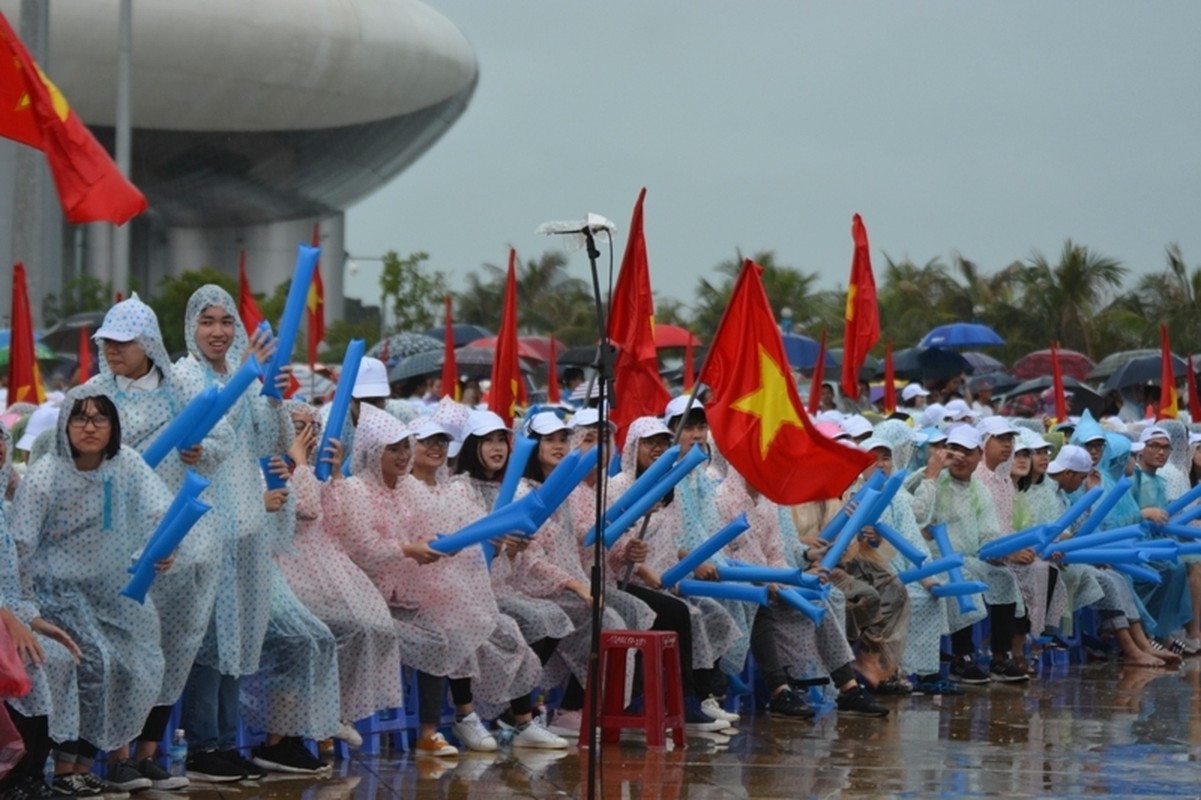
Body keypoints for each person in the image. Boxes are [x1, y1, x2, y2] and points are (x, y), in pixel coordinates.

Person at [176, 286, 338, 780]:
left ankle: (226, 741)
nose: (219, 331)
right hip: (203, 525)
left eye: (227, 321)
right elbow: (205, 444)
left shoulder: (244, 379)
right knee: (206, 636)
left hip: (248, 526)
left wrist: (269, 393)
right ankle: (203, 746)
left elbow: (271, 444)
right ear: (191, 327)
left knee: (238, 636)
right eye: (208, 321)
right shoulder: (184, 377)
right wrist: (247, 381)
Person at [332, 405, 558, 755]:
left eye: (406, 447)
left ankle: (518, 718)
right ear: (374, 450)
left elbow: (446, 535)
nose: (408, 454)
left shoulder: (425, 490)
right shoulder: (358, 489)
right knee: (449, 628)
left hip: (420, 586)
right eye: (401, 447)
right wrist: (416, 550)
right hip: (377, 593)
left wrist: (486, 544)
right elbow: (364, 548)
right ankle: (456, 721)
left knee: (494, 622)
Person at [85, 294, 228, 791]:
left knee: (175, 647)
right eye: (106, 342)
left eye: (121, 342)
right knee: (128, 646)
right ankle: (118, 755)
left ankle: (149, 753)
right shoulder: (94, 394)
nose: (112, 351)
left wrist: (200, 448)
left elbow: (221, 443)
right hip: (117, 537)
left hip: (182, 535)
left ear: (147, 344)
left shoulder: (182, 390)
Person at [11, 389, 173, 796]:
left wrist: (160, 550)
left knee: (142, 661)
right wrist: (27, 608)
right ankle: (66, 769)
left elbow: (162, 514)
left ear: (113, 427)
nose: (89, 427)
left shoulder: (128, 465)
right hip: (56, 596)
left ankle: (91, 764)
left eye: (100, 419)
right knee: (94, 662)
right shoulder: (47, 474)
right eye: (79, 418)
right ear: (65, 425)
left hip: (115, 592)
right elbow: (21, 549)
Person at [272, 403, 402, 742]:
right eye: (294, 427)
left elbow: (339, 524)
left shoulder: (311, 471)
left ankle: (335, 712)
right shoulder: (269, 468)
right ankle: (311, 723)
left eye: (309, 428)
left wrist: (335, 476)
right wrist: (300, 464)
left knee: (373, 627)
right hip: (286, 571)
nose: (303, 436)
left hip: (324, 568)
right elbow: (306, 510)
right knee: (330, 632)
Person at [0, 421, 82, 800]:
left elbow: (14, 585)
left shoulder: (3, 512)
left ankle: (33, 773)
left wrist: (34, 621)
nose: (0, 450)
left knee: (57, 656)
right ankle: (12, 778)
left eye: (1, 441)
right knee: (26, 661)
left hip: (9, 615)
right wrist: (10, 621)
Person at [909, 425, 1028, 684]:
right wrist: (933, 469)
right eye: (954, 450)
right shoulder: (932, 476)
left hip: (970, 557)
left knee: (1004, 578)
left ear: (979, 456)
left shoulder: (979, 489)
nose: (960, 457)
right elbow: (908, 499)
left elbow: (988, 532)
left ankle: (1000, 655)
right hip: (932, 558)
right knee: (959, 576)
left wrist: (999, 552)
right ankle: (961, 657)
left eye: (967, 452)